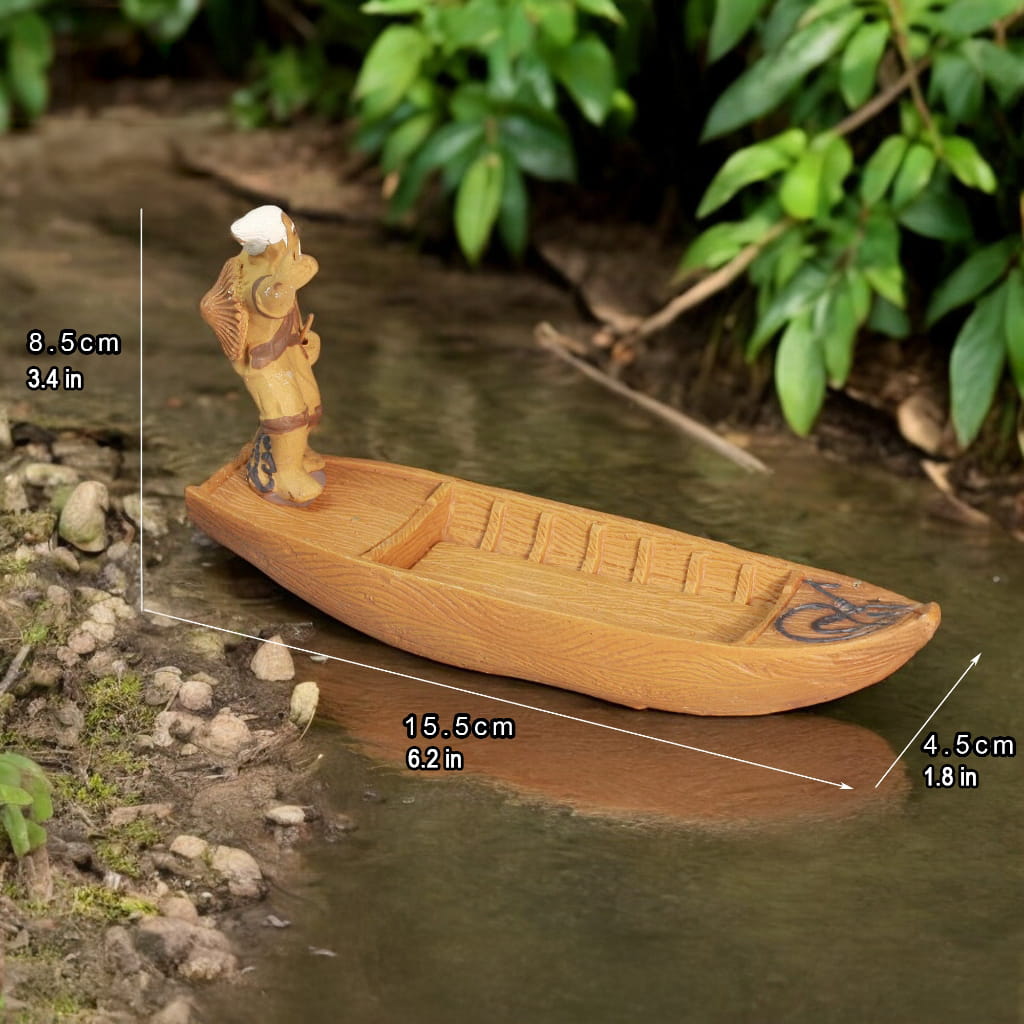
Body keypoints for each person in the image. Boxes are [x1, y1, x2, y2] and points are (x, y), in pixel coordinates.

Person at [200, 205, 325, 504]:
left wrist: (306, 339)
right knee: (287, 414)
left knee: (310, 404)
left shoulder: (276, 265)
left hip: (288, 349)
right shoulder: (255, 275)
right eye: (290, 232)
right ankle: (284, 473)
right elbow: (270, 301)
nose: (295, 237)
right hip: (264, 359)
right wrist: (286, 281)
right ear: (276, 243)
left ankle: (296, 453)